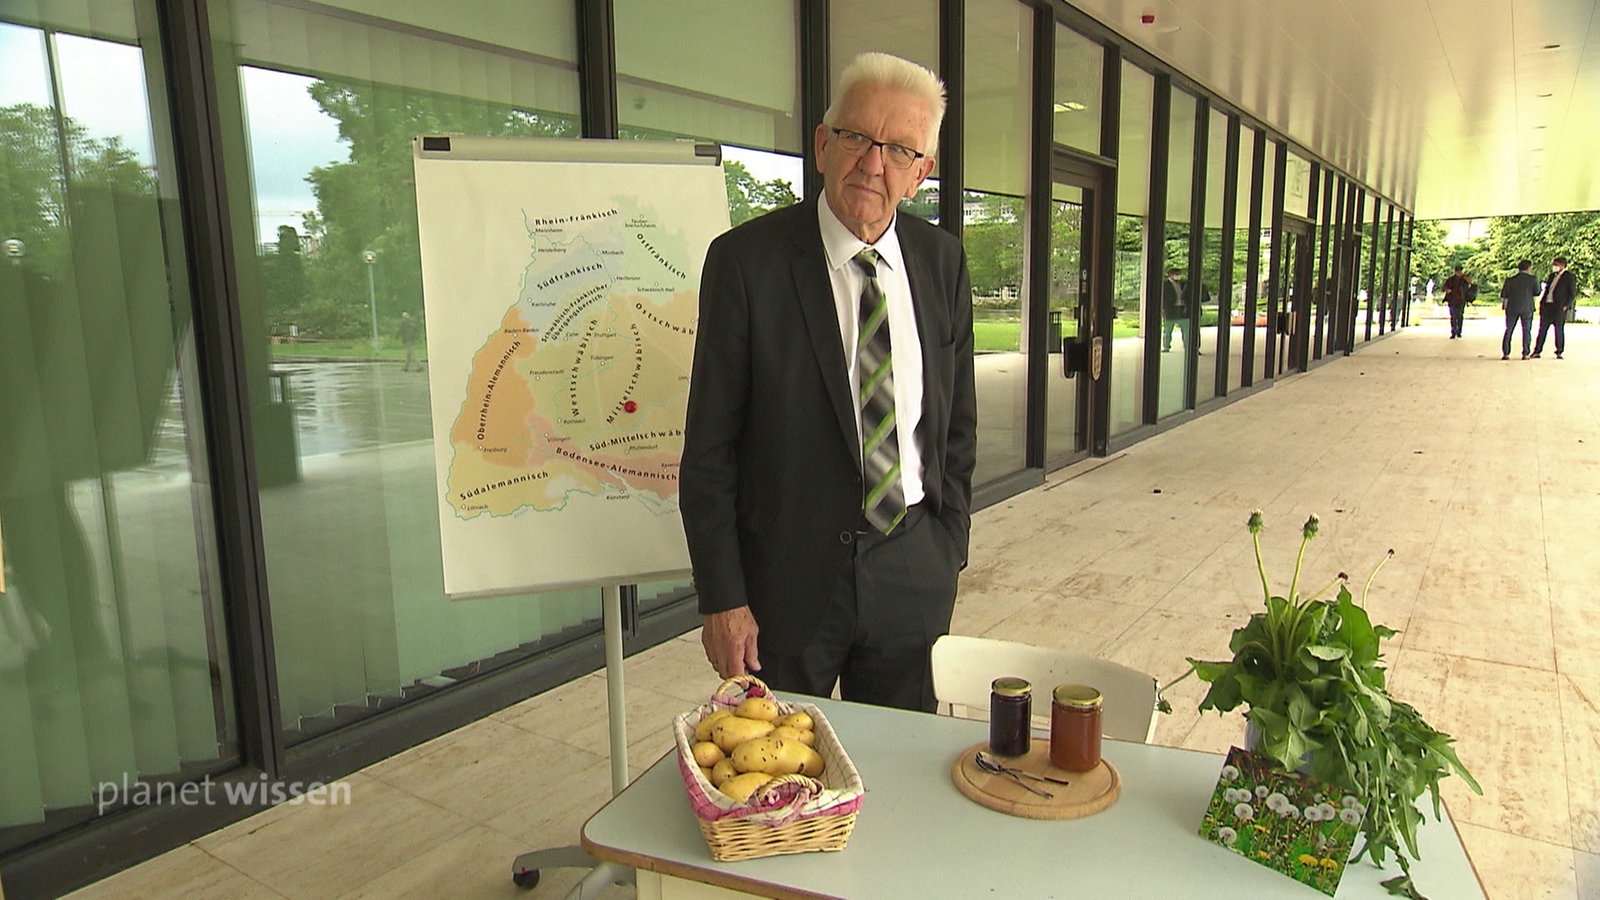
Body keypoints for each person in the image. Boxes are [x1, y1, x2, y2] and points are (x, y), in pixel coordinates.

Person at [680, 52, 976, 713]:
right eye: (857, 137)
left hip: (911, 570)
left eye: (899, 149)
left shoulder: (942, 262)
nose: (874, 163)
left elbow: (955, 426)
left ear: (921, 173)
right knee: (778, 781)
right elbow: (709, 449)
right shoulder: (745, 264)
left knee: (901, 772)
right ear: (822, 143)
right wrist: (723, 598)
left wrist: (946, 547)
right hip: (781, 590)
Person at [1531, 256, 1575, 359]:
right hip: (1548, 305)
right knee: (1542, 329)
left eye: (1556, 264)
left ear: (1562, 265)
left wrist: (1566, 305)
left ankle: (1559, 351)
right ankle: (1537, 351)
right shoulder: (1552, 276)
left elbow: (1572, 293)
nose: (1554, 267)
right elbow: (1547, 290)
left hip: (1559, 307)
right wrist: (1542, 303)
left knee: (1559, 329)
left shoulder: (1569, 276)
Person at [1499, 259, 1539, 360]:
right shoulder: (1533, 279)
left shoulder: (1510, 280)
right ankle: (1525, 353)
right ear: (1529, 268)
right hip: (1527, 307)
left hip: (1512, 307)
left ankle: (1506, 353)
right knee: (1526, 331)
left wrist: (1504, 305)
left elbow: (1504, 294)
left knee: (1509, 330)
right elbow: (1537, 292)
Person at [1160, 267, 1192, 353]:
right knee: (1168, 329)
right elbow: (1163, 298)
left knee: (1185, 330)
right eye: (1176, 274)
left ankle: (1187, 347)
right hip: (1171, 309)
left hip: (1182, 309)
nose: (1178, 276)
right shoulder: (1165, 285)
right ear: (1171, 275)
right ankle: (1166, 346)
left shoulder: (1183, 284)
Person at [1442, 265, 1469, 339]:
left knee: (1460, 316)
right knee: (1453, 316)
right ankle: (1453, 332)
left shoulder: (1464, 279)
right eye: (1457, 271)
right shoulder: (1451, 280)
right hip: (1452, 300)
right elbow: (1444, 287)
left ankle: (1459, 332)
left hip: (1461, 300)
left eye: (1460, 271)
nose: (1459, 273)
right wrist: (1447, 290)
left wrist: (1464, 276)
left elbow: (1471, 282)